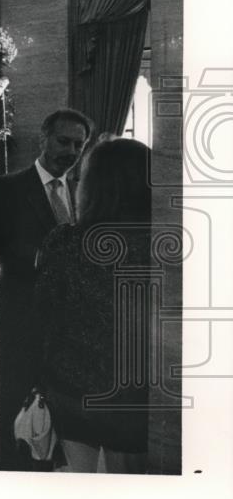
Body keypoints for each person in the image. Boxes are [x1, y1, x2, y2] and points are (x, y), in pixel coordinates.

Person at [0, 108, 93, 471]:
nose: (71, 151)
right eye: (63, 141)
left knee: (58, 428)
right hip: (21, 327)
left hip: (68, 333)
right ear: (43, 138)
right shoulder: (9, 188)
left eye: (78, 144)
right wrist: (44, 258)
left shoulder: (83, 191)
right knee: (17, 418)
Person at [33, 138, 152, 473]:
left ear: (93, 185)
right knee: (128, 487)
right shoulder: (162, 245)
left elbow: (43, 315)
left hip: (72, 385)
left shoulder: (65, 241)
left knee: (80, 483)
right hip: (133, 390)